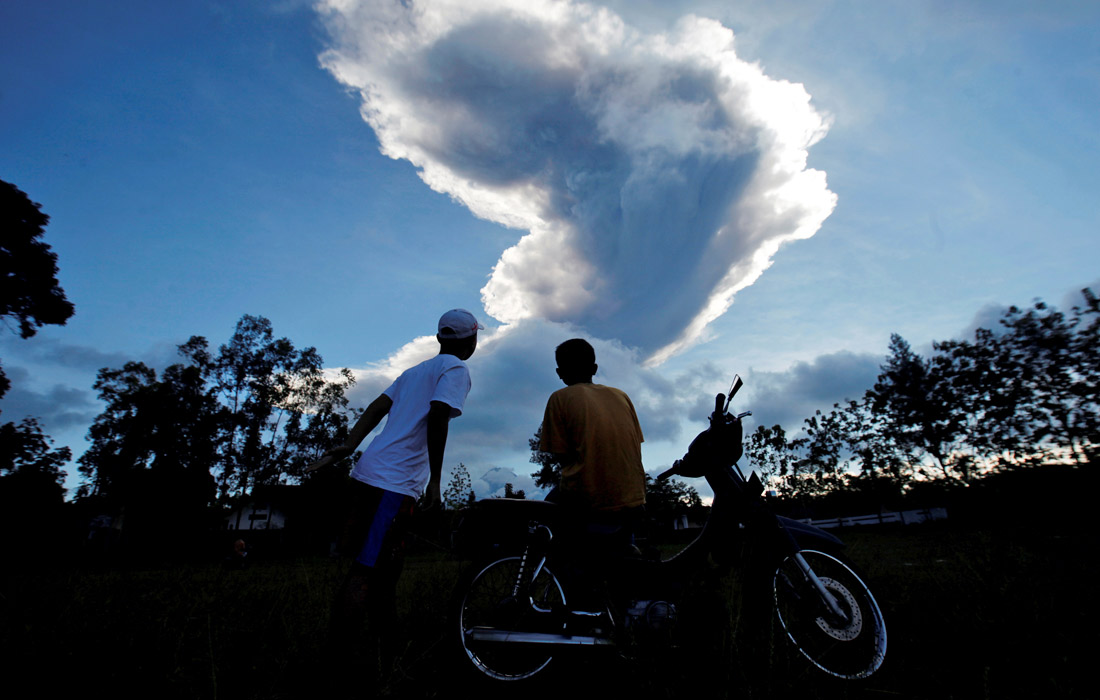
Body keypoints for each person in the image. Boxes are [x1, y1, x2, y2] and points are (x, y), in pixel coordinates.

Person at [307, 308, 482, 677]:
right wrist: (435, 479)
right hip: (392, 484)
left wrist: (349, 444)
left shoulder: (413, 372)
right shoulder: (456, 370)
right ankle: (336, 663)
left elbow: (377, 407)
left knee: (383, 572)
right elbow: (437, 416)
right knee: (366, 572)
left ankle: (389, 652)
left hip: (369, 473)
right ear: (471, 341)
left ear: (439, 339)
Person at [539, 338, 646, 608]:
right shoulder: (622, 396)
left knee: (542, 524)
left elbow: (561, 456)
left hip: (589, 500)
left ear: (559, 373)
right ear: (595, 368)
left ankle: (569, 596)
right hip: (634, 500)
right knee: (619, 552)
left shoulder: (559, 398)